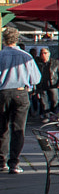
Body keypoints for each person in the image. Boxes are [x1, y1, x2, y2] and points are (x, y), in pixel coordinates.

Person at [0, 28, 42, 174]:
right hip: (20, 92)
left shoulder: (0, 56)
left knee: (2, 128)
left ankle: (1, 161)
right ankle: (14, 163)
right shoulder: (26, 56)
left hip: (2, 92)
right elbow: (36, 78)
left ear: (4, 39)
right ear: (17, 39)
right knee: (18, 129)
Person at [32, 49, 59, 118]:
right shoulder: (37, 63)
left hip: (53, 83)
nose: (43, 55)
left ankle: (53, 114)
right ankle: (46, 115)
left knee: (55, 100)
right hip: (42, 84)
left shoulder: (55, 62)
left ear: (49, 54)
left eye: (45, 53)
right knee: (43, 101)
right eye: (42, 53)